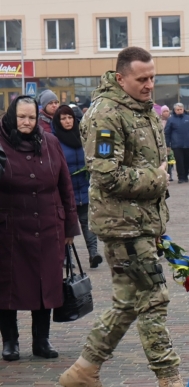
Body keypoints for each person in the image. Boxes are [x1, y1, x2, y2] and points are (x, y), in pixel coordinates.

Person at [60, 46, 186, 387]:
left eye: (152, 77)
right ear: (121, 78)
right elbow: (106, 174)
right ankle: (171, 385)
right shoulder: (106, 114)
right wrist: (157, 179)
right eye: (142, 79)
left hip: (142, 224)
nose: (149, 85)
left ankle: (84, 371)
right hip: (123, 228)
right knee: (153, 300)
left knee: (128, 303)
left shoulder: (140, 108)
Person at [0, 96, 81, 362]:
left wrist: (70, 226)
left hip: (48, 225)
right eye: (21, 117)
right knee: (7, 286)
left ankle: (41, 341)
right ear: (12, 116)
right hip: (10, 227)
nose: (26, 122)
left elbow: (65, 186)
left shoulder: (51, 142)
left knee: (45, 284)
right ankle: (10, 341)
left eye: (31, 117)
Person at [53, 104, 103, 269]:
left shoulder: (83, 136)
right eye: (63, 118)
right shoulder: (54, 140)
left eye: (70, 118)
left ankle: (93, 254)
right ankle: (67, 256)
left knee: (87, 221)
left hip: (84, 187)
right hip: (65, 191)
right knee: (66, 224)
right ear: (58, 121)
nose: (67, 121)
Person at [164, 103, 189, 184]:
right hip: (176, 144)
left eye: (181, 109)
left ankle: (186, 175)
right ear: (174, 110)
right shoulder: (171, 120)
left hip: (188, 144)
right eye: (177, 110)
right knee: (179, 161)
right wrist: (167, 145)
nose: (179, 111)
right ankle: (181, 177)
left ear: (183, 110)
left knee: (187, 161)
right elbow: (167, 133)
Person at [159, 107, 174, 182]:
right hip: (160, 142)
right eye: (164, 111)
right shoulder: (158, 120)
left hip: (170, 142)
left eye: (167, 111)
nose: (166, 113)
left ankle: (169, 174)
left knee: (169, 158)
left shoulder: (172, 120)